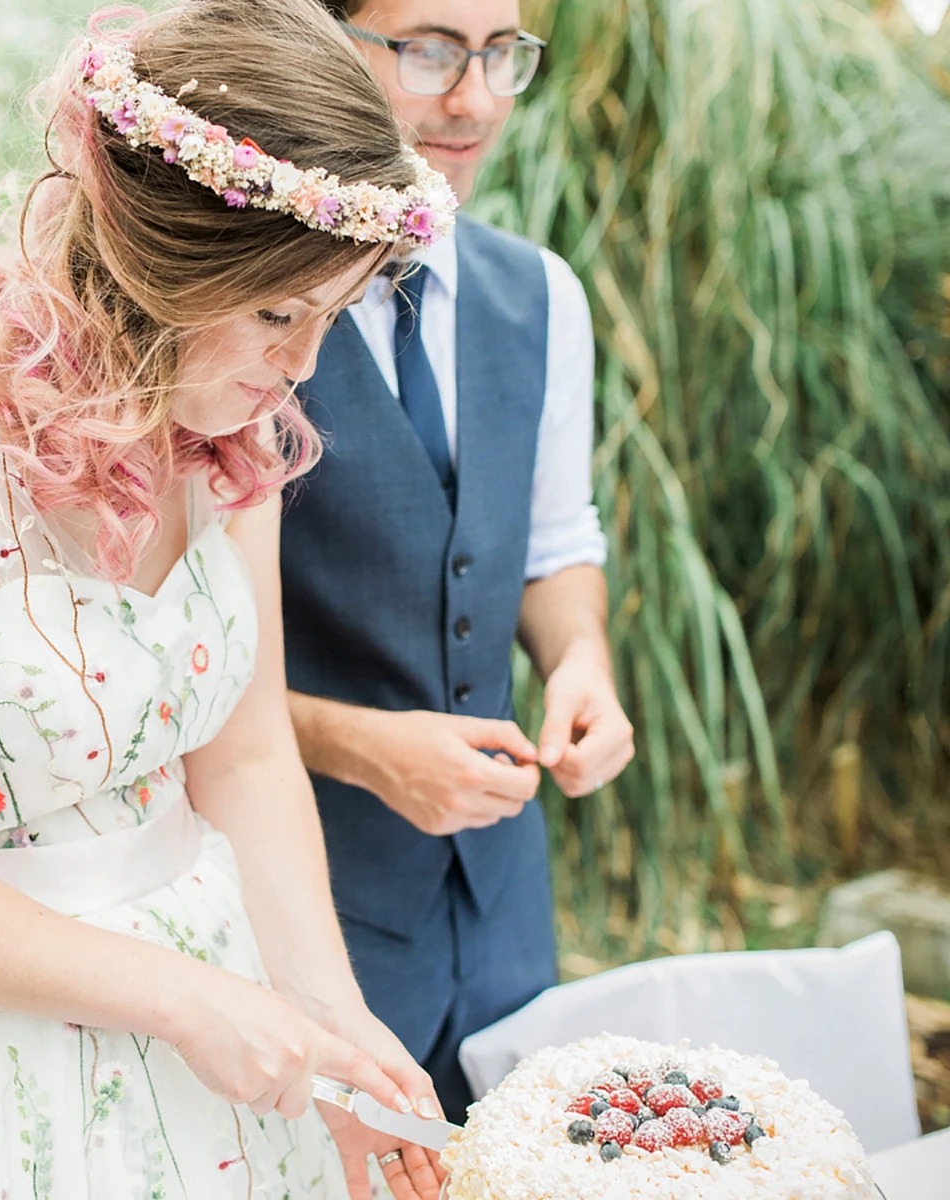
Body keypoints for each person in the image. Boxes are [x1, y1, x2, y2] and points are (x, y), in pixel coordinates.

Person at [0, 3, 459, 1197]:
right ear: (154, 258)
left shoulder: (238, 439)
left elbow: (242, 761)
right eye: (277, 313)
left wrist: (335, 1031)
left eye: (331, 317)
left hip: (219, 1030)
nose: (301, 368)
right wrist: (184, 1001)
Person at [282, 0, 636, 1124]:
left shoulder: (544, 295)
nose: (475, 100)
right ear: (327, 37)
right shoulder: (242, 301)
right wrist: (358, 745)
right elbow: (165, 651)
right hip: (299, 906)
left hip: (503, 904)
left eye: (502, 54)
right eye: (430, 49)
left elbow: (552, 540)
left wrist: (581, 661)